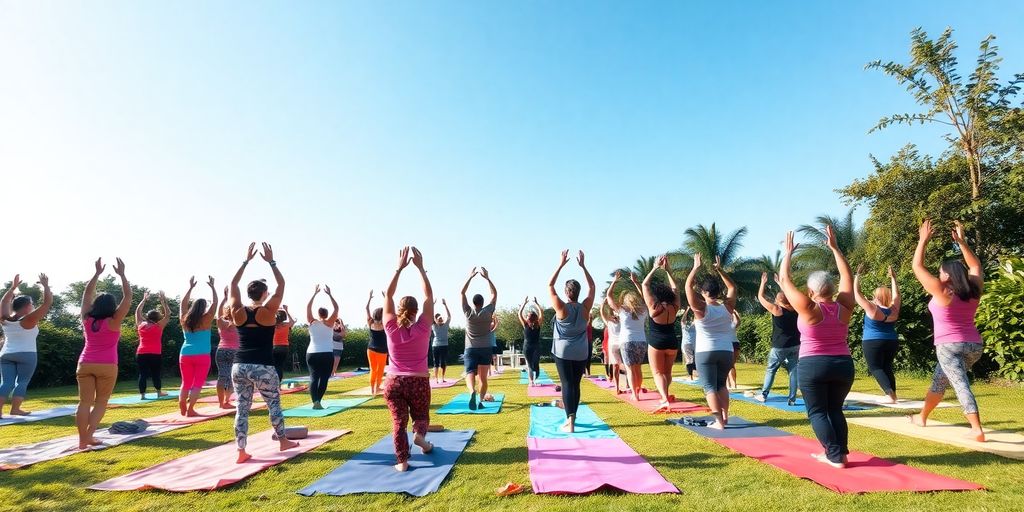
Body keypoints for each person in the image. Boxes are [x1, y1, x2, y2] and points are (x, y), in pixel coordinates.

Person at [779, 227, 855, 468]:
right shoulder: (844, 306)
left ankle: (834, 456)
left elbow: (784, 280)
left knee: (818, 412)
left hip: (814, 365)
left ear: (811, 292)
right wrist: (835, 248)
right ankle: (839, 454)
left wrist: (788, 253)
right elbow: (847, 277)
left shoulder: (809, 308)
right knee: (835, 410)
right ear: (832, 290)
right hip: (843, 364)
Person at [910, 220, 987, 442]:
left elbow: (917, 267)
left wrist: (923, 241)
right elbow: (975, 267)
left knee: (959, 383)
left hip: (949, 346)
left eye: (941, 272)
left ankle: (976, 428)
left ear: (948, 276)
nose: (939, 274)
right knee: (940, 381)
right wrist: (962, 242)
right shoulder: (974, 290)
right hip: (974, 345)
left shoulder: (942, 291)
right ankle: (922, 417)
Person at [228, 243, 298, 463]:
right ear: (265, 294)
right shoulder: (269, 311)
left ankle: (241, 450)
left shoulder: (237, 311)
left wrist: (245, 261)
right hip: (263, 366)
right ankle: (283, 440)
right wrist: (271, 262)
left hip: (239, 366)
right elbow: (282, 283)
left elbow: (232, 283)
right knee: (273, 403)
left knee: (242, 407)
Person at [382, 246, 435, 472]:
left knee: (398, 422)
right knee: (420, 415)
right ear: (415, 311)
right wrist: (421, 269)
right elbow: (429, 297)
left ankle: (402, 461)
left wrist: (399, 269)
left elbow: (388, 296)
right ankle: (420, 436)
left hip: (394, 381)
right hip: (418, 381)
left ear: (400, 310)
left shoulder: (390, 326)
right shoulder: (423, 327)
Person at [77, 257, 131, 450]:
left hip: (85, 363)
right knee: (101, 402)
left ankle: (83, 440)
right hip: (108, 365)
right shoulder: (114, 320)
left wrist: (96, 274)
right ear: (111, 307)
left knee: (84, 402)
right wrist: (123, 275)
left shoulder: (86, 318)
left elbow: (86, 294)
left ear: (96, 305)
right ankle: (89, 436)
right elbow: (128, 298)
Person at [685, 254, 739, 430]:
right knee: (721, 384)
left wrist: (695, 268)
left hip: (706, 352)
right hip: (726, 351)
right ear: (718, 292)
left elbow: (687, 287)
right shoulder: (728, 307)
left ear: (704, 293)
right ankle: (725, 416)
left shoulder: (701, 309)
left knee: (709, 387)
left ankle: (718, 422)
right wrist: (720, 269)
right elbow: (732, 286)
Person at [547, 250, 596, 433]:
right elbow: (592, 287)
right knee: (575, 384)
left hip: (563, 352)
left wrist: (560, 264)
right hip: (581, 352)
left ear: (567, 293)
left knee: (567, 384)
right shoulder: (585, 307)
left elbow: (550, 285)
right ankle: (572, 418)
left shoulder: (561, 308)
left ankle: (570, 422)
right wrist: (583, 266)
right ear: (578, 292)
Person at [0, 273, 52, 418]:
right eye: (32, 305)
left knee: (6, 383)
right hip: (27, 355)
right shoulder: (29, 320)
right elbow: (47, 303)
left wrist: (12, 288)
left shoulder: (5, 319)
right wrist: (46, 286)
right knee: (22, 382)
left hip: (6, 355)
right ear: (28, 306)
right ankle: (15, 409)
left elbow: (4, 302)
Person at [854, 265, 901, 403]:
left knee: (875, 368)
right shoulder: (894, 309)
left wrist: (857, 275)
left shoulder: (872, 308)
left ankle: (889, 394)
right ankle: (893, 394)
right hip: (892, 340)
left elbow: (857, 294)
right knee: (887, 366)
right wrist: (893, 278)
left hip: (873, 341)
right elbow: (896, 295)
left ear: (877, 297)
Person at [641, 255, 681, 410]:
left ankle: (664, 398)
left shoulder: (654, 306)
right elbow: (676, 288)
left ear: (657, 295)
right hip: (672, 341)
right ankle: (665, 394)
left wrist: (655, 268)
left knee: (658, 373)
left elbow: (645, 285)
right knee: (667, 372)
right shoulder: (674, 306)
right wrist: (668, 270)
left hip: (657, 342)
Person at [756, 272, 800, 405]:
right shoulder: (796, 308)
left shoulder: (777, 309)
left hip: (780, 346)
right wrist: (780, 284)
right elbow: (789, 296)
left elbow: (760, 297)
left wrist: (762, 284)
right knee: (793, 371)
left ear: (779, 301)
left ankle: (764, 394)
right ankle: (792, 399)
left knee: (771, 370)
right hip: (795, 344)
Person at [178, 276, 219, 416]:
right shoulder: (206, 319)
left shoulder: (184, 319)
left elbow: (182, 304)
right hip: (202, 355)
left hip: (185, 353)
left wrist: (190, 288)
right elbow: (215, 303)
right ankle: (190, 410)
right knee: (197, 384)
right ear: (203, 308)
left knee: (186, 383)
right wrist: (213, 287)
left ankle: (182, 404)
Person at [606, 271, 647, 401]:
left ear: (626, 301)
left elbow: (609, 296)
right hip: (641, 342)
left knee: (630, 370)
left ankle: (635, 395)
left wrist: (614, 281)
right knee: (637, 368)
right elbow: (645, 297)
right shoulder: (643, 309)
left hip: (627, 342)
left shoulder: (622, 310)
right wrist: (636, 282)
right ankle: (637, 391)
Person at [460, 267, 497, 410]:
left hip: (470, 348)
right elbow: (494, 293)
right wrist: (487, 278)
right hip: (485, 348)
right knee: (483, 378)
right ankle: (480, 401)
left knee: (469, 372)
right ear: (482, 302)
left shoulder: (468, 313)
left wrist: (470, 277)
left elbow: (462, 292)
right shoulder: (488, 312)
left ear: (473, 303)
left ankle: (471, 391)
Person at [306, 284, 339, 409]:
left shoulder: (312, 322)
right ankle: (318, 401)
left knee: (313, 377)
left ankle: (315, 402)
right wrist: (330, 294)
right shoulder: (330, 323)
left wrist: (314, 294)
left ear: (318, 314)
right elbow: (336, 308)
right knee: (324, 379)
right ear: (327, 314)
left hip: (312, 353)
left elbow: (308, 307)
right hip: (326, 354)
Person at [134, 290, 170, 400]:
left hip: (141, 352)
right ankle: (159, 392)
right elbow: (168, 313)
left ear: (148, 317)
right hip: (155, 353)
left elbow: (137, 311)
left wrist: (144, 300)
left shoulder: (141, 325)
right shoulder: (159, 326)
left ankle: (142, 395)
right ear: (158, 318)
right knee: (156, 373)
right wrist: (163, 300)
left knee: (143, 374)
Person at [215, 287, 241, 409]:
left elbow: (218, 314)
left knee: (222, 376)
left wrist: (224, 299)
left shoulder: (221, 323)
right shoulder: (238, 324)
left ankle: (221, 403)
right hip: (234, 352)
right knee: (232, 377)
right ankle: (226, 401)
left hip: (221, 350)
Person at [365, 291, 388, 396]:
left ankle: (372, 389)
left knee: (373, 370)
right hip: (382, 350)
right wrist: (386, 298)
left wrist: (369, 298)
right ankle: (377, 388)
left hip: (370, 349)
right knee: (380, 370)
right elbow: (389, 311)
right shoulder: (384, 324)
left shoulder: (370, 323)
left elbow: (366, 308)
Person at [598, 299, 624, 392]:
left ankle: (618, 388)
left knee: (616, 366)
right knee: (621, 366)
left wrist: (604, 303)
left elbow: (602, 312)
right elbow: (602, 313)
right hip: (619, 344)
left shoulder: (612, 322)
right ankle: (621, 387)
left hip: (615, 345)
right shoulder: (617, 322)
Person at [519, 297, 544, 386]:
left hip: (528, 347)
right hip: (536, 347)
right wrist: (537, 304)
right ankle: (533, 378)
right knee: (534, 364)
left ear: (529, 318)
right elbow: (541, 312)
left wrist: (524, 303)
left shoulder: (526, 324)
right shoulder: (538, 324)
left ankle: (531, 381)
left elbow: (519, 314)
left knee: (529, 365)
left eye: (527, 316)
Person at [431, 299, 452, 383]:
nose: (439, 320)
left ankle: (442, 378)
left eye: (440, 319)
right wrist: (432, 305)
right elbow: (431, 316)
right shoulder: (434, 326)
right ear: (436, 320)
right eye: (438, 319)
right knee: (436, 363)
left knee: (443, 363)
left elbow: (449, 316)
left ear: (442, 320)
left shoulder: (446, 325)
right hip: (436, 346)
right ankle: (436, 379)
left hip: (444, 346)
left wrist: (445, 305)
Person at [272, 305, 294, 382]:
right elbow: (292, 321)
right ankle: (279, 384)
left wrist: (273, 310)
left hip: (275, 347)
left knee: (274, 366)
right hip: (284, 347)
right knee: (279, 366)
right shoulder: (286, 325)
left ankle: (275, 383)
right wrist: (286, 310)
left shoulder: (272, 326)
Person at [680, 307, 698, 380]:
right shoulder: (686, 326)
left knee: (691, 360)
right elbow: (683, 320)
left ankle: (692, 375)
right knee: (691, 360)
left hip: (691, 344)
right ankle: (691, 376)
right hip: (689, 344)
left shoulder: (692, 326)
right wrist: (688, 310)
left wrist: (690, 310)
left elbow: (694, 319)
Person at [728, 309, 742, 389]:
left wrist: (734, 312)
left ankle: (732, 384)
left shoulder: (732, 323)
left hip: (732, 344)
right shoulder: (724, 324)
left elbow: (738, 321)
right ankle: (729, 384)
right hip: (729, 344)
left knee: (730, 365)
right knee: (728, 365)